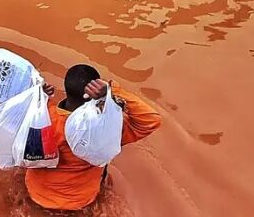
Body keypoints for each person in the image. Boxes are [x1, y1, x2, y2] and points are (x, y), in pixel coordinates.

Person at [25, 64, 162, 211]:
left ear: (66, 90)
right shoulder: (107, 129)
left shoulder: (40, 118)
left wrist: (36, 98)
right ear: (94, 94)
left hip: (36, 195)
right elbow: (151, 119)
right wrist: (112, 91)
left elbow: (8, 118)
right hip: (81, 202)